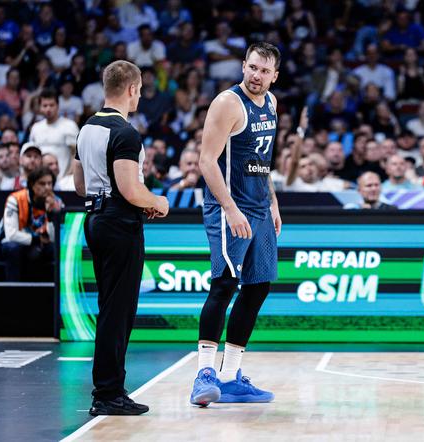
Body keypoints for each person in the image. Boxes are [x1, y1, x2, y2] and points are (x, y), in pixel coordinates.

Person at [72, 60, 169, 416]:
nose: (140, 96)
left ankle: (109, 389)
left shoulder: (85, 129)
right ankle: (108, 393)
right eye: (140, 90)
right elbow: (130, 189)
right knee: (118, 310)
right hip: (119, 223)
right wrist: (157, 202)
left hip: (95, 219)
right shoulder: (125, 133)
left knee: (110, 307)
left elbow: (79, 185)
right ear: (131, 89)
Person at [190, 42, 282, 407]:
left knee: (258, 287)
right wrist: (229, 207)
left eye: (264, 71)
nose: (256, 76)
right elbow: (206, 161)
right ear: (243, 66)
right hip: (228, 206)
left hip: (259, 207)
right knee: (224, 284)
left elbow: (263, 160)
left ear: (275, 76)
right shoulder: (227, 103)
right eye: (252, 67)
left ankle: (230, 377)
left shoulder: (272, 104)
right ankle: (204, 375)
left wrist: (274, 203)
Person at [0, 167, 62, 281]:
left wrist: (51, 215)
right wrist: (37, 240)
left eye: (50, 183)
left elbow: (55, 239)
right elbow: (11, 234)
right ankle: (14, 290)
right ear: (32, 185)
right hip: (13, 243)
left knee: (56, 249)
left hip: (39, 244)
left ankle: (54, 294)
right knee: (14, 248)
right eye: (42, 184)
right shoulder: (15, 199)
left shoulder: (57, 202)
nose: (47, 188)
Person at [28, 88, 79, 179]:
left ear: (58, 106)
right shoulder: (35, 128)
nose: (48, 109)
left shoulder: (69, 126)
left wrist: (68, 176)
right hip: (41, 180)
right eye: (45, 105)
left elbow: (76, 154)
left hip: (63, 179)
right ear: (40, 107)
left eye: (52, 105)